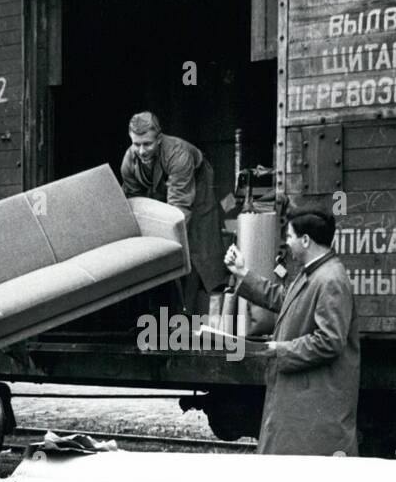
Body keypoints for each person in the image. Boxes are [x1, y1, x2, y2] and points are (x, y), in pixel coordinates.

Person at [224, 211, 360, 456]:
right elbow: (285, 299)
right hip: (305, 398)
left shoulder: (329, 280)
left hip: (311, 402)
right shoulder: (316, 272)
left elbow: (329, 341)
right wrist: (242, 273)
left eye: (289, 236)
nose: (287, 242)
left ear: (305, 240)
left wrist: (281, 349)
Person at [120, 111, 228, 313]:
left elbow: (179, 208)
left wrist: (164, 244)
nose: (141, 151)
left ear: (159, 139)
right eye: (136, 144)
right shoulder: (129, 161)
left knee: (198, 246)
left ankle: (196, 312)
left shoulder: (178, 154)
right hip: (161, 187)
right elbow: (133, 202)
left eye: (147, 144)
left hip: (196, 186)